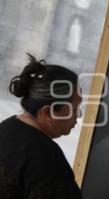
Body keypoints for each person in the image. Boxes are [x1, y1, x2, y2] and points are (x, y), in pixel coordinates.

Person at [0, 54, 82, 199]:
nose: (79, 115)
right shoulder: (46, 156)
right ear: (48, 112)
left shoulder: (5, 128)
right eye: (74, 109)